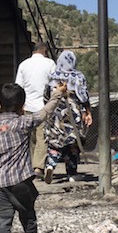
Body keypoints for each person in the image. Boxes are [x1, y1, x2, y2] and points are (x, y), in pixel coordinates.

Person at [0, 81, 66, 233]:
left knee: (3, 217)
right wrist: (57, 94)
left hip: (0, 184)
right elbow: (45, 112)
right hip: (21, 181)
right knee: (28, 214)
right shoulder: (24, 122)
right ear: (23, 106)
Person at [43, 50, 93, 183]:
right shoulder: (78, 76)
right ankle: (72, 173)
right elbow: (83, 96)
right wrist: (87, 112)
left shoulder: (52, 76)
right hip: (73, 114)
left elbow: (46, 96)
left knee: (55, 143)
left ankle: (50, 165)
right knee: (73, 143)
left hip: (55, 113)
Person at [14, 41, 56, 178]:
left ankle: (30, 166)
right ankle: (38, 167)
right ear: (44, 51)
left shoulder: (23, 65)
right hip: (43, 107)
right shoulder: (50, 64)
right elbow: (55, 85)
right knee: (42, 137)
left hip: (27, 106)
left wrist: (19, 106)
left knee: (29, 138)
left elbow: (18, 87)